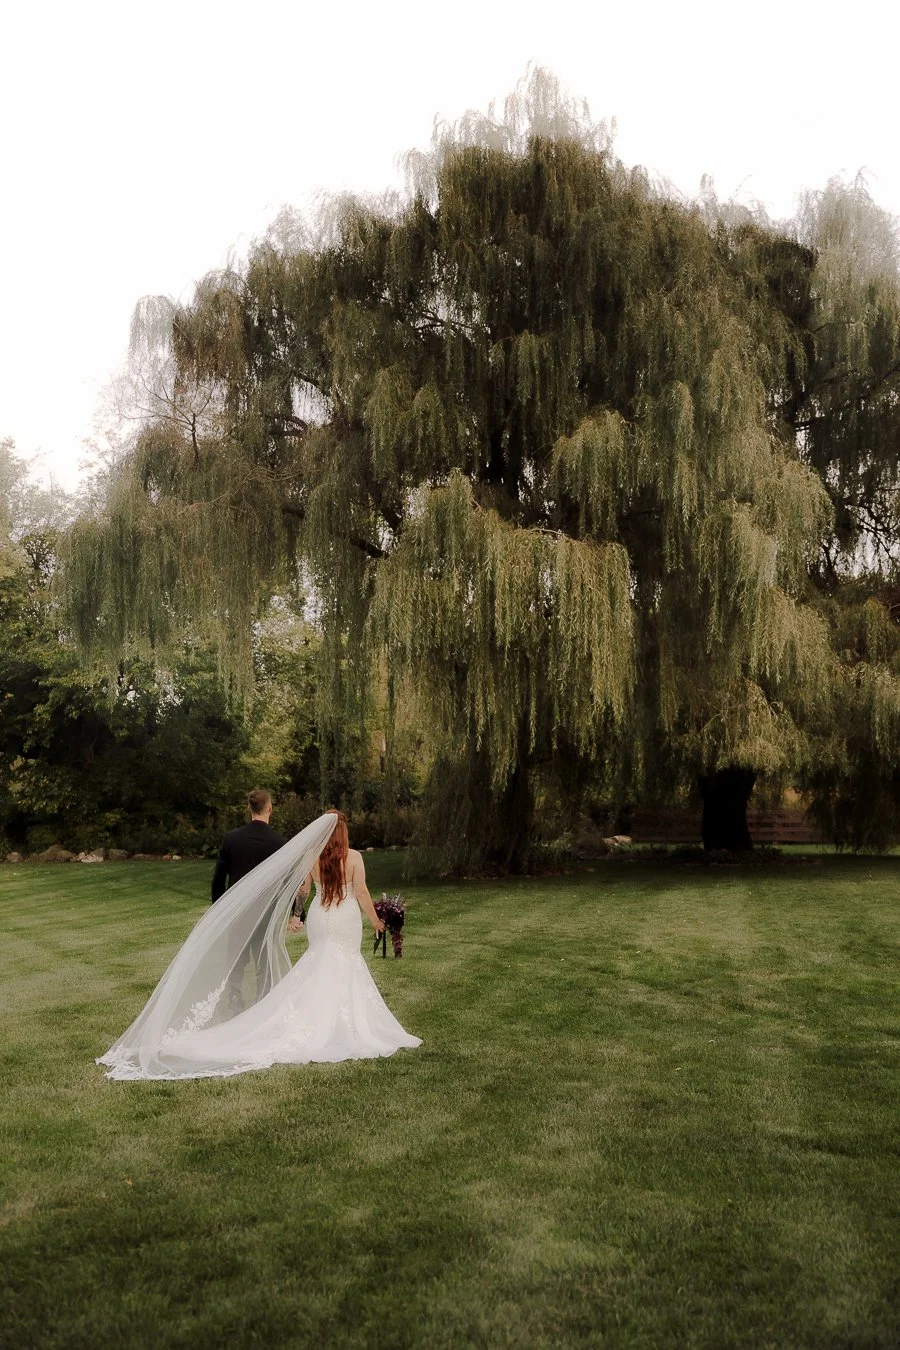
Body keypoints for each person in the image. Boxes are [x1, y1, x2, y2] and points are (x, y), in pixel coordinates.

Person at [97, 809, 422, 1079]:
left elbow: (302, 891)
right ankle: (338, 1026)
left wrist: (298, 917)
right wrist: (377, 921)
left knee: (319, 963)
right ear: (345, 832)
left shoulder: (312, 856)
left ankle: (318, 1020)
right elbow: (362, 893)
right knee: (344, 963)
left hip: (322, 919)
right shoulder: (353, 858)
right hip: (345, 917)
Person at [211, 789, 308, 923]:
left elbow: (219, 879)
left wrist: (218, 910)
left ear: (249, 807)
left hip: (235, 909)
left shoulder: (231, 838)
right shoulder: (279, 842)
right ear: (270, 808)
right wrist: (298, 913)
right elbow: (289, 881)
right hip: (266, 910)